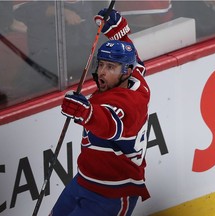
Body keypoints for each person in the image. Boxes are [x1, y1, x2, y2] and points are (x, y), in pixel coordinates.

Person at [50, 8, 150, 216]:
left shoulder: (131, 103)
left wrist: (86, 114)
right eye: (101, 64)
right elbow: (137, 61)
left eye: (111, 67)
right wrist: (119, 34)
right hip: (84, 180)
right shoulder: (135, 79)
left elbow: (108, 124)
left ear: (125, 71)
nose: (102, 71)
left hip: (112, 193)